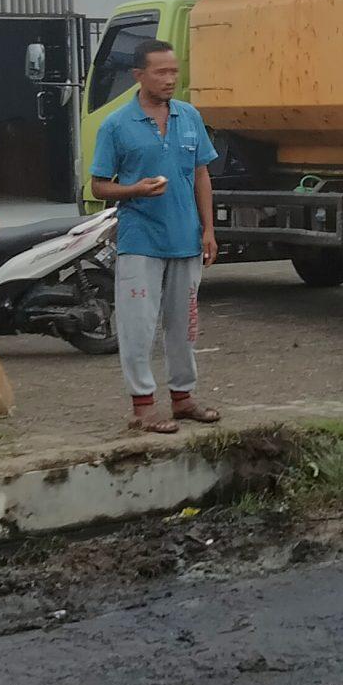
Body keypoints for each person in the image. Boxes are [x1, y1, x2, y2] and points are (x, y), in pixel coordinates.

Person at [87, 39, 220, 434]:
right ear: (138, 76)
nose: (169, 79)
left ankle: (183, 398)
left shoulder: (189, 117)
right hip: (140, 240)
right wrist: (135, 190)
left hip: (186, 238)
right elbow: (99, 185)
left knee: (184, 326)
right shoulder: (116, 125)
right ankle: (143, 406)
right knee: (138, 326)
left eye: (173, 71)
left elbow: (201, 174)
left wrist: (208, 229)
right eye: (160, 72)